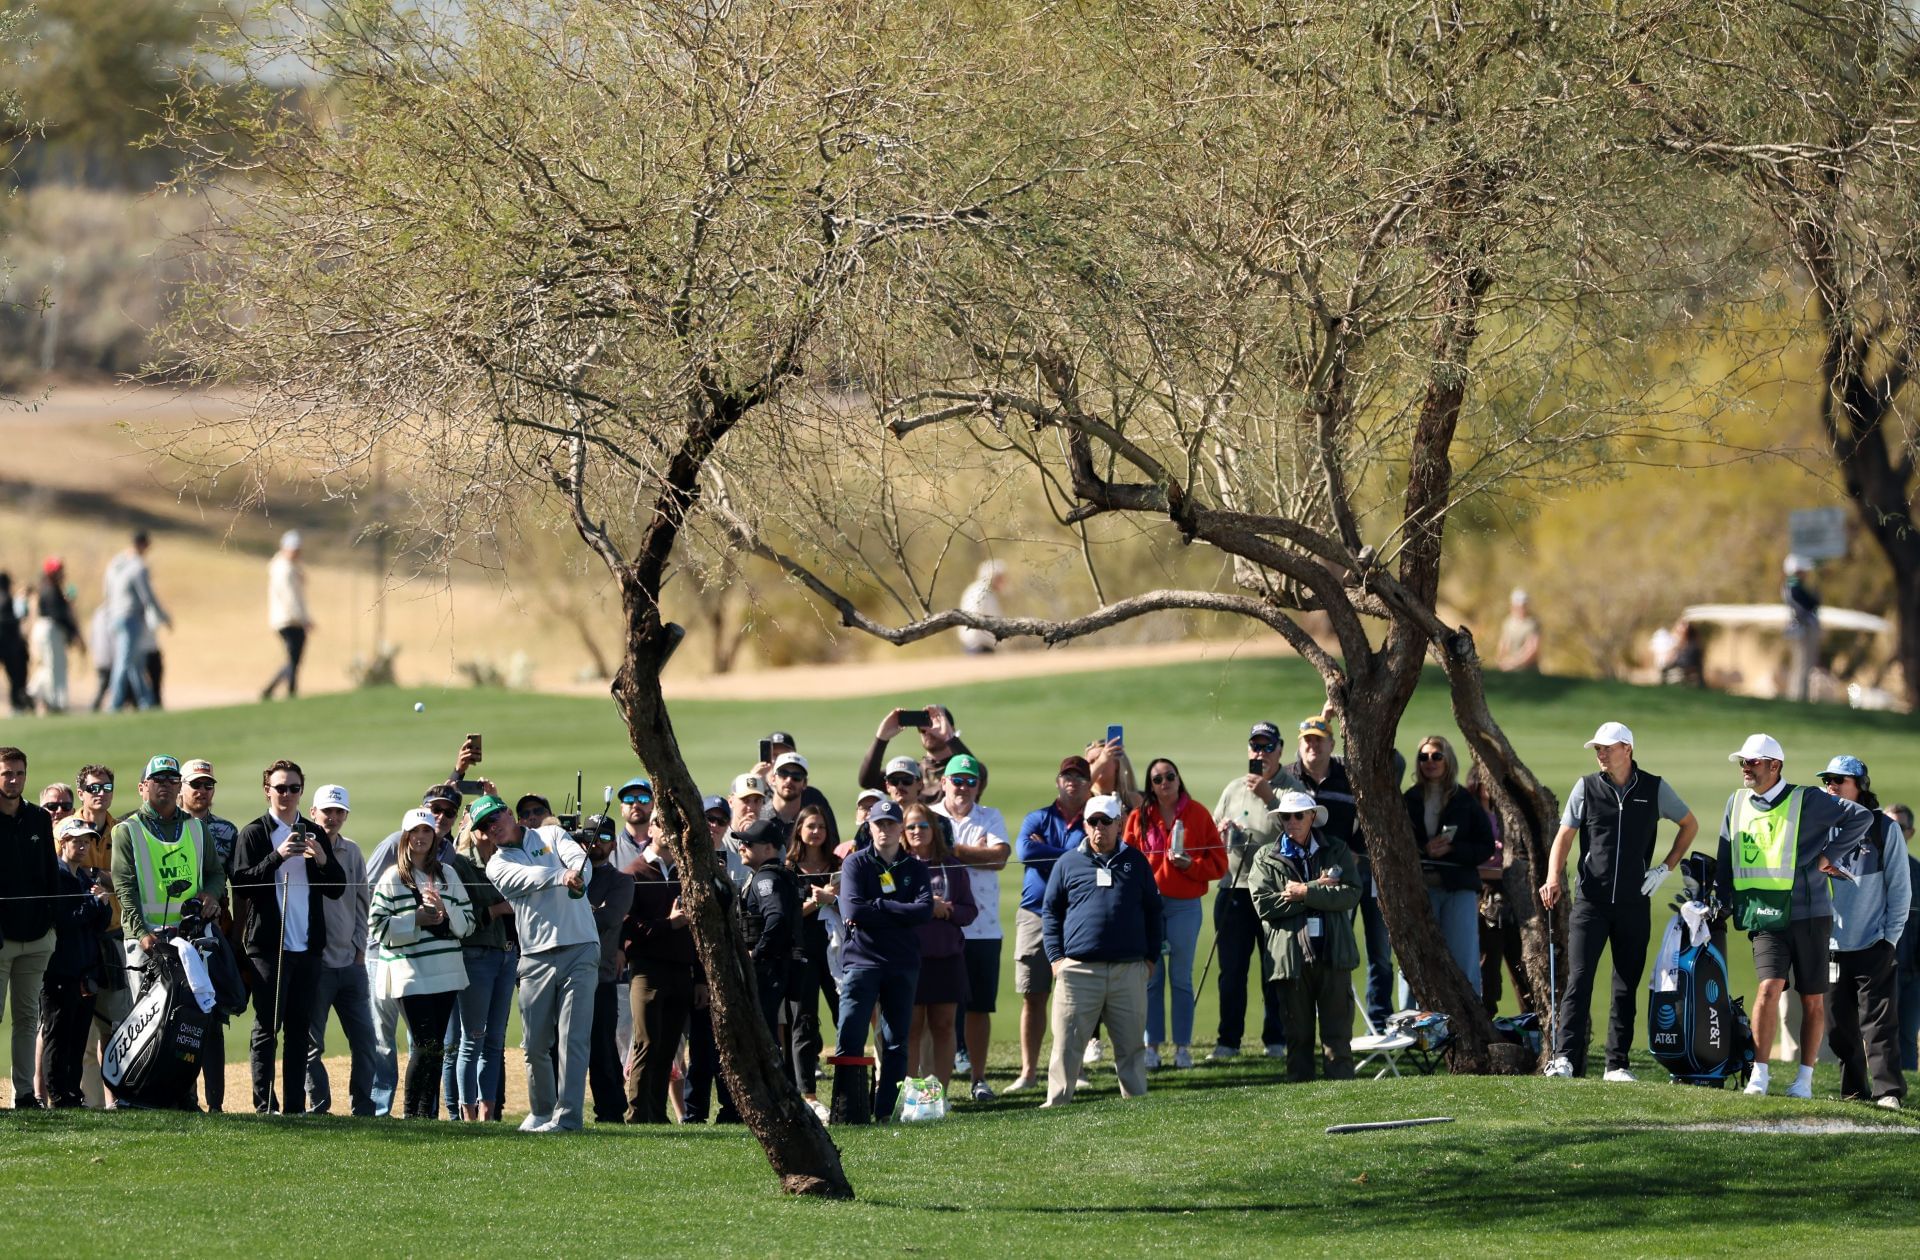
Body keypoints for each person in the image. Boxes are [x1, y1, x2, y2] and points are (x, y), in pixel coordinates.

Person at [1714, 733, 1876, 1099]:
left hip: (1810, 914)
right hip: (1763, 915)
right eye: (1743, 762)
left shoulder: (1809, 799)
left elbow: (1861, 817)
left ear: (1775, 766)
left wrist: (1829, 855)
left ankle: (1803, 1079)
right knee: (1768, 988)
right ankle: (1760, 1074)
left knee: (1812, 999)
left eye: (1753, 762)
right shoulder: (1736, 802)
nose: (1746, 768)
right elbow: (1726, 853)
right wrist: (1721, 898)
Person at [1538, 722, 1698, 1080]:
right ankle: (1564, 1058)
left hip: (1633, 903)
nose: (1600, 753)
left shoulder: (1654, 788)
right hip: (1590, 902)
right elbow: (1564, 837)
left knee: (1626, 983)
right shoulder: (1587, 787)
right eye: (1597, 748)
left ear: (1627, 748)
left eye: (1607, 747)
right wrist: (1553, 877)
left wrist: (1663, 869)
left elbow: (1689, 825)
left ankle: (1617, 1064)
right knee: (1579, 979)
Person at [106, 754, 229, 1109]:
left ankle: (182, 1096)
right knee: (147, 1019)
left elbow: (215, 874)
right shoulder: (127, 830)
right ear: (143, 787)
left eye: (171, 779)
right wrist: (140, 931)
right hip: (147, 941)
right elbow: (125, 888)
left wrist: (211, 895)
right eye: (157, 779)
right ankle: (138, 1096)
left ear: (179, 786)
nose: (165, 784)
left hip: (190, 941)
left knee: (186, 1021)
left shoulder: (195, 828)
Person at [479, 793, 598, 1132]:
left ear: (507, 814)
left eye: (494, 819)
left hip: (580, 947)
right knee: (534, 1045)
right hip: (534, 956)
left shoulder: (552, 835)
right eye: (485, 827)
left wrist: (579, 875)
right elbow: (526, 880)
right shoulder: (496, 865)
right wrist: (562, 876)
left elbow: (581, 859)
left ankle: (569, 1118)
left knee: (572, 1038)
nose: (492, 828)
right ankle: (543, 1110)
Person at [232, 759, 346, 1114]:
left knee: (299, 1030)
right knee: (267, 1028)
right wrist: (277, 857)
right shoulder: (254, 833)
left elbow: (337, 888)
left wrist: (324, 858)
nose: (287, 794)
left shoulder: (313, 831)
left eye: (294, 788)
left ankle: (295, 1108)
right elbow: (241, 881)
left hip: (307, 947)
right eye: (280, 788)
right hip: (268, 946)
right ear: (267, 790)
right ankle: (265, 1105)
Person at [1040, 793, 1163, 1107]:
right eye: (1093, 822)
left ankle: (1135, 1104)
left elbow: (1154, 912)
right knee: (1067, 1045)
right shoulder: (1068, 862)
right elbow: (1051, 911)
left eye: (1106, 822)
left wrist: (1149, 960)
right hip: (1078, 971)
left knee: (1132, 1046)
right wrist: (1056, 959)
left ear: (1119, 824)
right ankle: (1057, 1102)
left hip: (1128, 970)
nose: (1099, 828)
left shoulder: (1135, 862)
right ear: (1085, 825)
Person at [1207, 721, 1306, 1061]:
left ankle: (1275, 1039)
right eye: (1255, 746)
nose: (1259, 753)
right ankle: (1228, 1041)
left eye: (1266, 747)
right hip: (1233, 888)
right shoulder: (1234, 788)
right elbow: (1213, 835)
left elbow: (1299, 831)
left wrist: (1269, 796)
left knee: (1273, 971)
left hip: (1274, 893)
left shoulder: (1290, 788)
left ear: (1279, 750)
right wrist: (1223, 831)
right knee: (1231, 971)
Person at [1249, 790, 1362, 1081]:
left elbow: (1350, 894)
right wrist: (1317, 889)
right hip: (1289, 960)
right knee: (1297, 1038)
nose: (1292, 821)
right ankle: (1300, 1109)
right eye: (1286, 816)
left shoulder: (1335, 849)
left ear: (1312, 817)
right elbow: (1264, 905)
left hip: (1332, 953)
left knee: (1338, 1038)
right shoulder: (1265, 857)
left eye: (1299, 815)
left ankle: (1343, 1098)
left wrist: (1303, 892)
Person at [370, 807, 474, 1118]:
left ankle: (426, 1115)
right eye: (414, 832)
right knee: (425, 1042)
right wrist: (414, 919)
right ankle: (411, 1114)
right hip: (408, 973)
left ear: (434, 836)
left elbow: (467, 924)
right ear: (405, 837)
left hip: (446, 972)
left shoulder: (448, 874)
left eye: (426, 831)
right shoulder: (392, 878)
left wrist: (446, 911)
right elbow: (376, 927)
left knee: (435, 1046)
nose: (420, 837)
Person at [1819, 757, 1910, 1109]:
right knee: (1837, 1027)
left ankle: (1888, 1091)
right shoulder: (1824, 827)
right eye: (1828, 780)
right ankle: (1854, 1091)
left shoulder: (1884, 830)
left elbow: (1900, 889)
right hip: (1831, 946)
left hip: (1874, 941)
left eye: (1839, 780)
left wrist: (1890, 938)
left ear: (1860, 785)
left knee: (1878, 1022)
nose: (1831, 785)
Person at [1124, 757, 1226, 1070]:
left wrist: (1190, 866)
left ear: (1179, 779)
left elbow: (1219, 864)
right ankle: (1151, 1046)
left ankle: (1182, 1048)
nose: (1165, 783)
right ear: (1150, 786)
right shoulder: (1139, 817)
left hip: (1185, 905)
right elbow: (1126, 863)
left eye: (1170, 776)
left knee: (1181, 978)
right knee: (1151, 979)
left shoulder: (1197, 814)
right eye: (1157, 779)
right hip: (1149, 907)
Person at [833, 799, 932, 1121]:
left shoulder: (915, 868)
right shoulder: (856, 865)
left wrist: (881, 907)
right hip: (862, 962)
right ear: (870, 827)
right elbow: (853, 911)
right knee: (850, 1036)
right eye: (879, 824)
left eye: (891, 824)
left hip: (902, 963)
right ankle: (848, 1111)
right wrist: (897, 910)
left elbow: (925, 911)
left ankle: (885, 1110)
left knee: (895, 1042)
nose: (885, 830)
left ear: (900, 827)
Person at [1009, 756, 1095, 1092]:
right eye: (1066, 775)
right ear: (1057, 781)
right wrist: (1066, 853)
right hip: (1034, 913)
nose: (1071, 780)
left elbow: (1086, 858)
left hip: (1075, 914)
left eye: (1078, 776)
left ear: (1088, 783)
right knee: (1033, 993)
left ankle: (1074, 1071)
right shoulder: (1038, 817)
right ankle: (1029, 1073)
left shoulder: (1095, 819)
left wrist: (1047, 850)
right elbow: (1025, 853)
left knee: (1074, 995)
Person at [931, 753, 1010, 1100]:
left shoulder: (990, 816)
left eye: (970, 781)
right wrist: (973, 853)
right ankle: (934, 1083)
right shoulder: (928, 816)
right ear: (944, 782)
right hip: (936, 929)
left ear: (979, 785)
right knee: (936, 1010)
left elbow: (999, 858)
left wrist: (950, 850)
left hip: (983, 928)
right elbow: (917, 855)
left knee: (979, 1008)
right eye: (957, 781)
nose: (963, 788)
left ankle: (978, 1078)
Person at [1402, 735, 1496, 1001]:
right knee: (1415, 960)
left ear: (1448, 760)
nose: (1430, 762)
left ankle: (1472, 1023)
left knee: (1464, 960)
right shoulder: (1409, 799)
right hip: (1420, 890)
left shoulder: (1464, 800)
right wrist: (1424, 848)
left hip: (1458, 889)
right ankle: (1412, 1027)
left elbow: (1485, 845)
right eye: (1424, 757)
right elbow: (1396, 840)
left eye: (1436, 756)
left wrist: (1454, 850)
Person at [303, 784, 377, 1116]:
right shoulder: (302, 851)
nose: (333, 817)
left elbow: (364, 904)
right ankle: (320, 1107)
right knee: (311, 1045)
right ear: (313, 813)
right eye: (327, 811)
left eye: (339, 812)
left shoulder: (353, 852)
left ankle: (363, 1107)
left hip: (351, 964)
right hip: (316, 965)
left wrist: (360, 949)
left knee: (365, 1043)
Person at [621, 813, 699, 1124]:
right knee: (647, 1042)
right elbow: (629, 928)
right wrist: (669, 925)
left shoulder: (686, 872)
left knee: (668, 1046)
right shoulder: (633, 873)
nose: (667, 828)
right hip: (647, 970)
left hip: (681, 969)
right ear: (650, 829)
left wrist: (700, 977)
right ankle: (638, 1112)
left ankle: (656, 1113)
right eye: (660, 822)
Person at [178, 759, 239, 1111]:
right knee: (182, 1015)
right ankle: (185, 1097)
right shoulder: (168, 829)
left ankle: (216, 1103)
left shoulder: (227, 831)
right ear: (182, 788)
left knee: (213, 1015)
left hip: (214, 932)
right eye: (195, 785)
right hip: (175, 930)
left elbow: (235, 884)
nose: (202, 791)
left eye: (208, 785)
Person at [905, 802, 978, 1091]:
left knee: (944, 1027)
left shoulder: (953, 866)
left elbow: (969, 911)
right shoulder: (898, 866)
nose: (916, 831)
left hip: (947, 958)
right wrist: (926, 908)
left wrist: (946, 912)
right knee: (911, 1028)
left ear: (933, 830)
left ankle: (939, 1095)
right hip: (910, 959)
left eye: (922, 825)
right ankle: (910, 1096)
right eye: (910, 826)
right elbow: (889, 909)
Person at [0, 746, 59, 1108]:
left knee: (27, 1018)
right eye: (7, 773)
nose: (13, 780)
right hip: (1, 938)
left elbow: (50, 876)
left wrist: (51, 925)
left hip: (37, 938)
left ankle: (23, 1094)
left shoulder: (38, 818)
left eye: (19, 773)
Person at [40, 817, 112, 1108]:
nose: (83, 846)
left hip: (84, 970)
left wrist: (102, 905)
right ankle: (58, 1094)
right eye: (76, 841)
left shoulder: (83, 877)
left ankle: (73, 1092)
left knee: (78, 1034)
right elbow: (65, 921)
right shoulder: (56, 876)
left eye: (86, 841)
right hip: (61, 969)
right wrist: (95, 903)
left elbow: (98, 924)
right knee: (58, 1034)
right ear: (62, 843)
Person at [785, 804, 842, 1112]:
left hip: (835, 952)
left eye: (821, 826)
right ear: (800, 831)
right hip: (802, 953)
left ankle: (848, 1087)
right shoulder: (789, 868)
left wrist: (834, 899)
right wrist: (816, 902)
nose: (816, 832)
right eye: (810, 826)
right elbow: (785, 914)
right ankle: (808, 1095)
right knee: (803, 1022)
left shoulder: (839, 864)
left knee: (844, 1016)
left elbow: (853, 906)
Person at [579, 813, 634, 1125]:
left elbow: (607, 920)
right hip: (568, 974)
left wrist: (574, 909)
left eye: (602, 838)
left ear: (613, 843)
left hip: (599, 975)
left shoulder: (620, 881)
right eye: (589, 837)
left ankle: (611, 1111)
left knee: (602, 1045)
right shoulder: (570, 871)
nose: (594, 844)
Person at [738, 818, 800, 1038]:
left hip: (767, 969)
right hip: (774, 966)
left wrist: (757, 953)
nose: (741, 847)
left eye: (749, 843)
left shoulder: (766, 878)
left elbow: (776, 918)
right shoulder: (772, 875)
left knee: (761, 1032)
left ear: (768, 848)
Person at [855, 704, 982, 803]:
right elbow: (868, 781)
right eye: (922, 728)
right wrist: (881, 738)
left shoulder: (962, 773)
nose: (927, 730)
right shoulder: (911, 773)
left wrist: (949, 737)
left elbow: (979, 774)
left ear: (951, 728)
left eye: (933, 724)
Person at [101, 529, 170, 712]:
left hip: (115, 616)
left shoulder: (116, 564)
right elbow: (147, 597)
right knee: (124, 662)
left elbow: (106, 591)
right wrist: (164, 617)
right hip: (130, 617)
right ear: (142, 545)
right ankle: (115, 704)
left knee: (135, 662)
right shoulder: (138, 567)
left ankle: (145, 700)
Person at [261, 530, 314, 700]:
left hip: (292, 619)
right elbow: (289, 598)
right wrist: (303, 619)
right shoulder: (283, 569)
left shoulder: (291, 567)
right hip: (287, 620)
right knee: (293, 659)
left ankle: (272, 690)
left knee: (294, 660)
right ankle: (288, 692)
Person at [28, 557, 82, 715]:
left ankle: (33, 692)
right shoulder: (50, 590)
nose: (62, 574)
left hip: (48, 630)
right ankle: (54, 701)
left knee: (50, 665)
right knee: (54, 665)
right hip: (50, 629)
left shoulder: (52, 589)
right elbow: (60, 616)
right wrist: (73, 635)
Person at [1893, 804, 1920, 1074]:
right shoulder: (1874, 870)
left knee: (1907, 1037)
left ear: (1910, 832)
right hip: (1883, 969)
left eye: (1899, 828)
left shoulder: (1919, 873)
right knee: (1879, 1034)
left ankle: (1909, 1090)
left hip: (1913, 972)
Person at [1782, 556, 1821, 702]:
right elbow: (1811, 603)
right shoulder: (1794, 586)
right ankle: (1799, 696)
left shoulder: (1792, 585)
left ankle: (1799, 695)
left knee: (1801, 665)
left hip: (1800, 628)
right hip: (1802, 628)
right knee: (1803, 665)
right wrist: (1815, 596)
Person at [957, 559, 1007, 654]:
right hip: (980, 646)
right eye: (1000, 578)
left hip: (976, 644)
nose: (1003, 581)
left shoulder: (977, 590)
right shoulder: (983, 593)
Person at [612, 776, 654, 869]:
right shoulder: (611, 848)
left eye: (643, 799)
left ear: (653, 805)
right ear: (622, 809)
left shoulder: (664, 846)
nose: (635, 805)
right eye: (629, 799)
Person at [1496, 587, 1541, 672]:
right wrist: (1501, 661)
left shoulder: (1532, 624)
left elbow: (1532, 650)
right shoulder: (1508, 622)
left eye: (1523, 605)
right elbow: (1504, 644)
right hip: (1509, 669)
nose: (1520, 608)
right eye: (1518, 605)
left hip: (1528, 671)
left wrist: (1513, 663)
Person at [0, 574, 28, 712]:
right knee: (14, 676)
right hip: (7, 647)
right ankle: (16, 704)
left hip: (6, 645)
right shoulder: (6, 599)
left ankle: (17, 704)